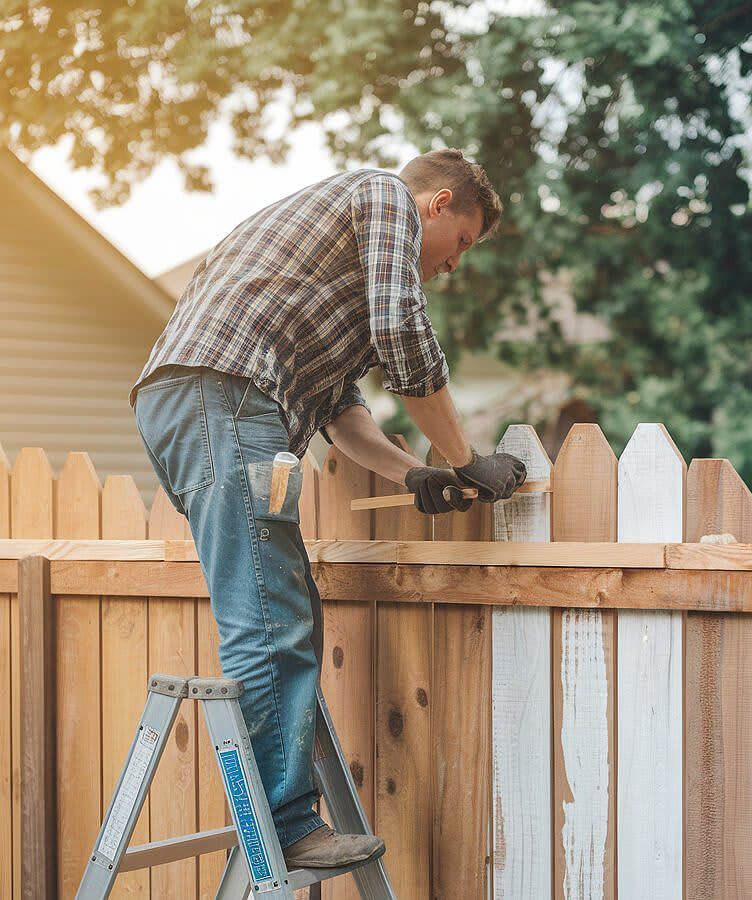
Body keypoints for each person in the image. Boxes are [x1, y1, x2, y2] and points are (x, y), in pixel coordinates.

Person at [130, 148, 527, 869]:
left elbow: (341, 414)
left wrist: (416, 474)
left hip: (207, 402)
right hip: (223, 399)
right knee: (269, 618)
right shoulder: (383, 198)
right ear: (438, 204)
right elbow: (406, 334)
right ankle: (283, 827)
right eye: (461, 243)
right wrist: (467, 459)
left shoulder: (329, 268)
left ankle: (285, 814)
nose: (453, 266)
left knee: (282, 609)